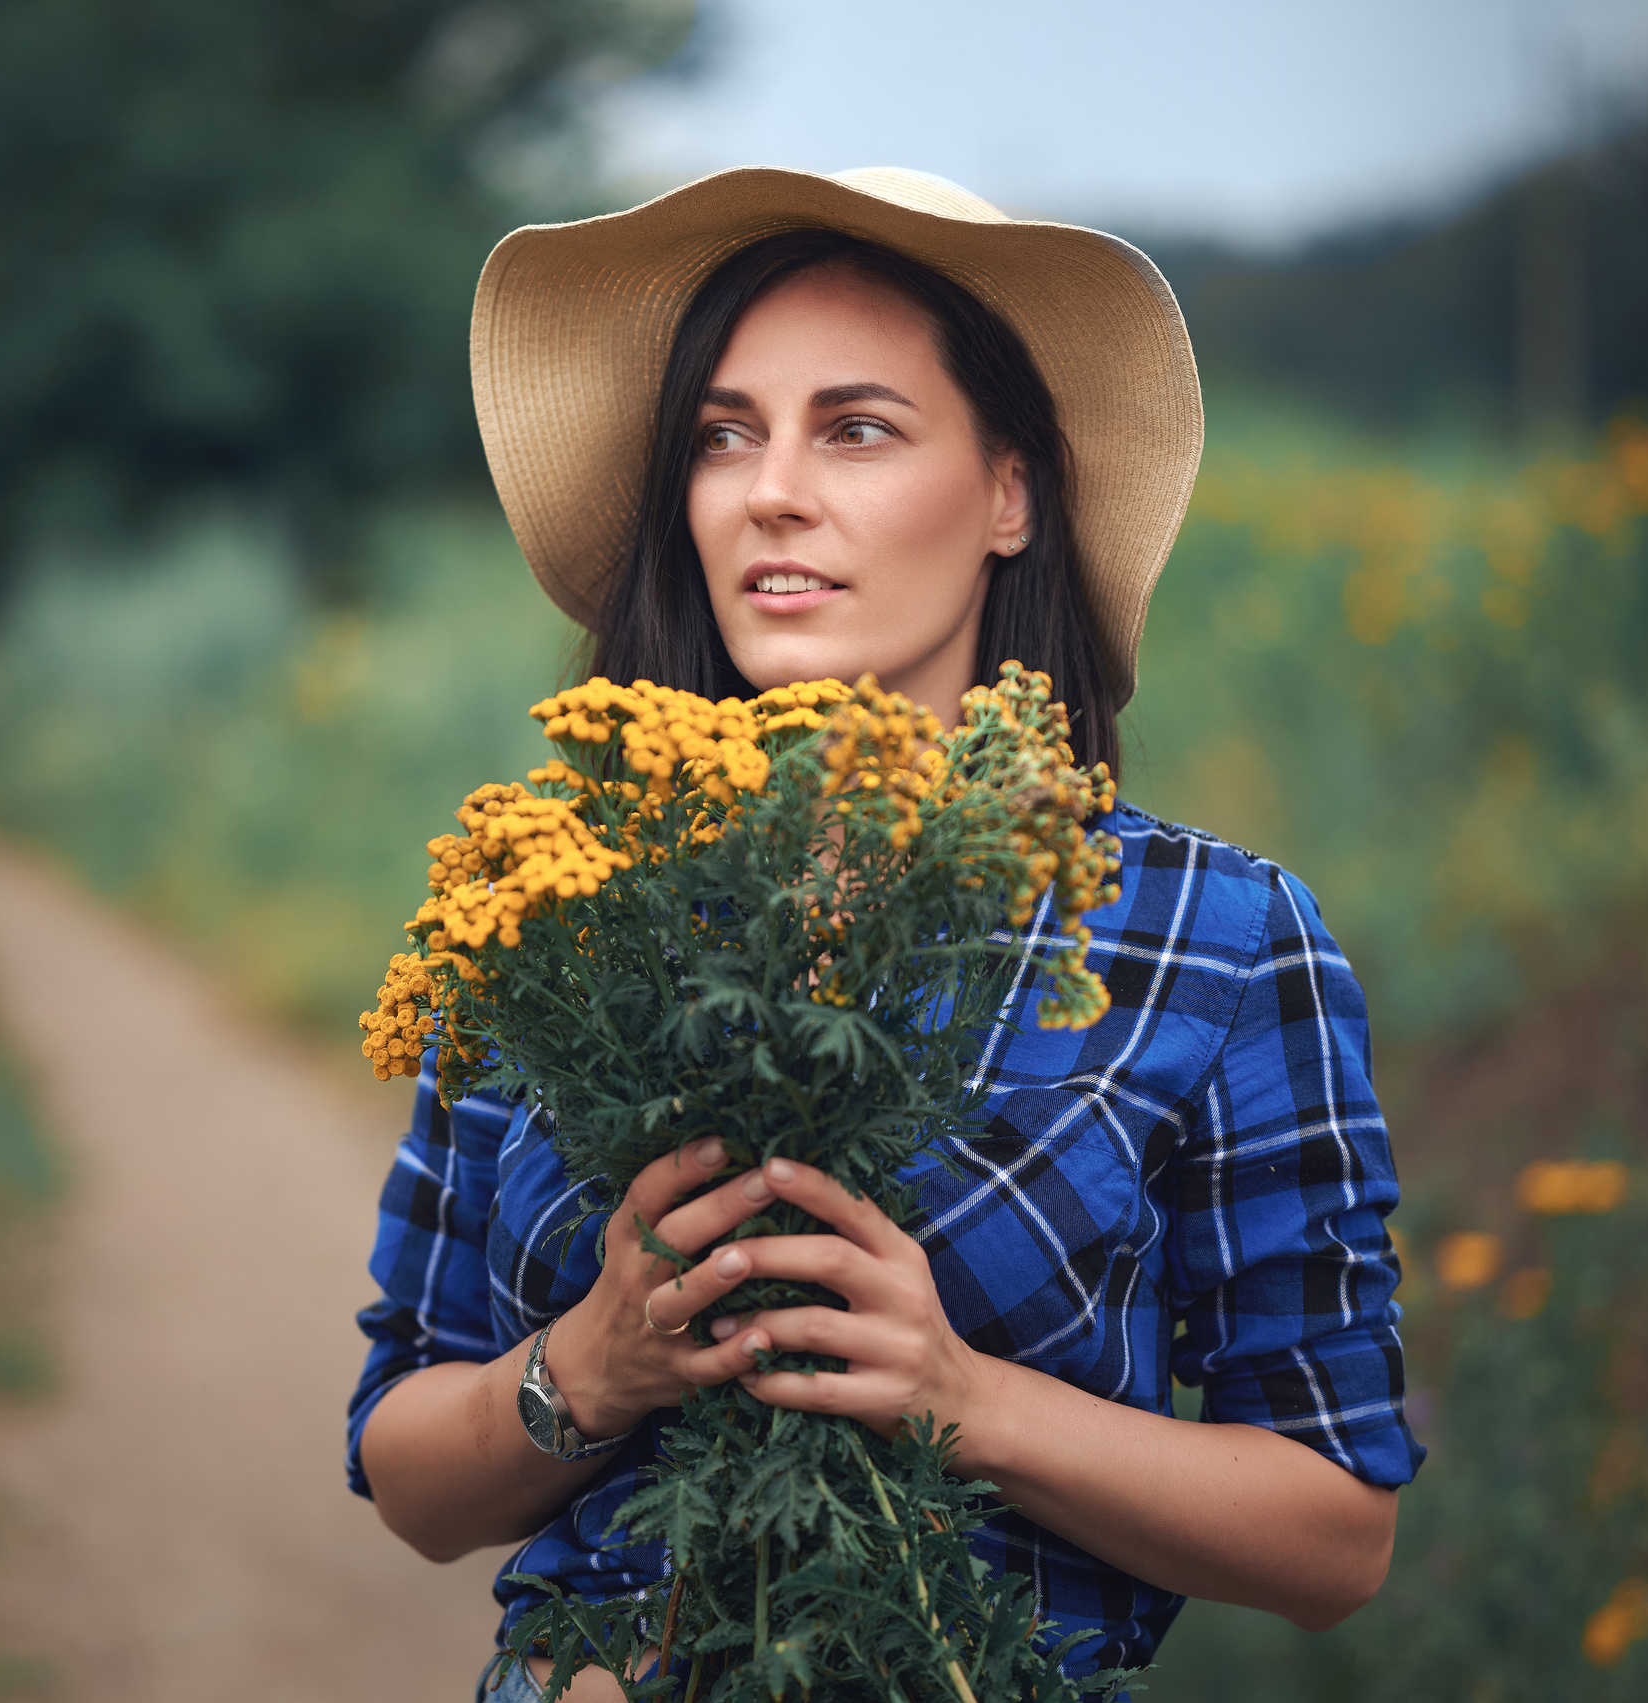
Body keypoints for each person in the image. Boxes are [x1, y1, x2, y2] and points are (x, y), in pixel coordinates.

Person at [346, 167, 1422, 1702]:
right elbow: (404, 1467)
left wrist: (957, 1398)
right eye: (726, 434)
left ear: (1010, 493)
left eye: (855, 427)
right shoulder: (555, 909)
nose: (771, 488)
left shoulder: (1217, 939)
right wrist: (586, 1367)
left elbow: (1335, 1539)